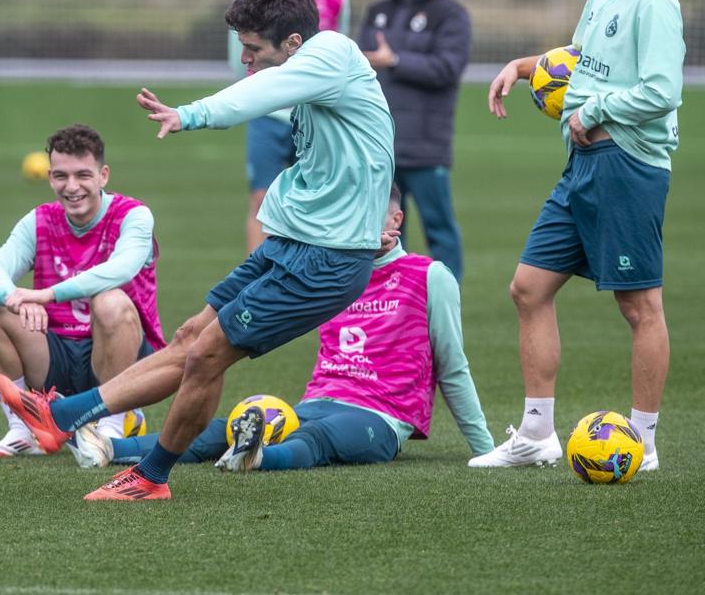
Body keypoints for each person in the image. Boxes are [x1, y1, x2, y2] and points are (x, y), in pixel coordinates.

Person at [0, 0, 395, 501]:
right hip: (292, 245)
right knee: (190, 337)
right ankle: (60, 416)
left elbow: (259, 94)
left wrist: (191, 114)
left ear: (293, 45)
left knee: (208, 354)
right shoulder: (317, 72)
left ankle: (150, 477)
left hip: (328, 260)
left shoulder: (334, 53)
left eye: (253, 49)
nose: (246, 61)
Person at [472, 0, 683, 472]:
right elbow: (582, 56)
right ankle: (537, 434)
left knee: (640, 306)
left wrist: (593, 110)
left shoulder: (655, 0)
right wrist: (522, 64)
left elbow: (663, 92)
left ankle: (642, 442)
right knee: (528, 288)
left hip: (628, 165)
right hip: (583, 164)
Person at [71, 186, 494, 472]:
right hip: (318, 398)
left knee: (318, 437)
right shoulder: (331, 272)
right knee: (219, 427)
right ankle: (106, 448)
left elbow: (453, 367)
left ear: (395, 218)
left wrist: (485, 452)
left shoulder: (428, 275)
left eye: (368, 215)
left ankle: (256, 459)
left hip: (379, 418)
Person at [0, 123, 164, 458]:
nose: (72, 187)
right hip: (55, 355)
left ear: (103, 175)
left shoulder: (134, 215)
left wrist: (46, 295)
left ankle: (111, 430)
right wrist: (14, 299)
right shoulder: (39, 220)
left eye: (82, 175)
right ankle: (24, 429)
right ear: (49, 177)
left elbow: (122, 269)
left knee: (110, 302)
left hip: (126, 357)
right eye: (61, 176)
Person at [229, 0, 352, 254]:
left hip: (314, 114)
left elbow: (340, 59)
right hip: (268, 114)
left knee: (314, 200)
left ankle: (304, 278)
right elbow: (240, 58)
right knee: (262, 199)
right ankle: (256, 279)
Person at [357, 0, 470, 282]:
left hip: (425, 144)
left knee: (439, 228)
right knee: (382, 231)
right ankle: (390, 304)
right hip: (379, 145)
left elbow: (448, 68)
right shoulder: (377, 11)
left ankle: (445, 299)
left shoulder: (450, 14)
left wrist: (396, 61)